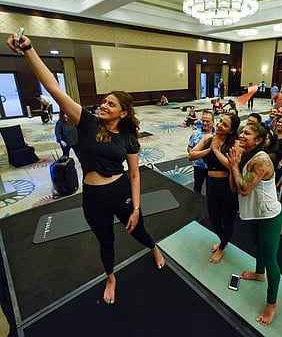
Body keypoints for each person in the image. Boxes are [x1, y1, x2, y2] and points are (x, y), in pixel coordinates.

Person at [8, 34, 166, 305]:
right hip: (93, 198)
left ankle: (153, 247)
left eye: (111, 104)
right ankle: (110, 276)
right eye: (104, 101)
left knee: (138, 229)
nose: (104, 105)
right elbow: (54, 88)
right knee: (106, 241)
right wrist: (29, 50)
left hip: (120, 191)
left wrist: (137, 207)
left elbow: (135, 174)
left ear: (124, 113)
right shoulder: (87, 122)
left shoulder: (129, 138)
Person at [227, 123, 282, 326]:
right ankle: (259, 274)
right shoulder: (246, 155)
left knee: (270, 259)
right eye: (241, 131)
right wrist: (233, 166)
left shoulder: (261, 159)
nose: (241, 135)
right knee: (257, 247)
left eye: (247, 133)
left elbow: (243, 188)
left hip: (269, 216)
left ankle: (271, 303)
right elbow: (234, 186)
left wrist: (233, 167)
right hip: (254, 213)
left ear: (258, 140)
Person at [188, 114, 241, 263]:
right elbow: (191, 155)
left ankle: (222, 247)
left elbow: (232, 166)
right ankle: (223, 240)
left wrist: (217, 151)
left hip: (228, 187)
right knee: (214, 219)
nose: (219, 125)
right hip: (211, 185)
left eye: (224, 125)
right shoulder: (208, 139)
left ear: (231, 130)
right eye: (220, 122)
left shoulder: (235, 144)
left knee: (228, 220)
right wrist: (210, 150)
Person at [187, 110, 215, 194]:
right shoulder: (195, 133)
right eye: (203, 121)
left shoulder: (217, 134)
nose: (205, 123)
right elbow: (189, 147)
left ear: (213, 122)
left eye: (207, 121)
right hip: (198, 166)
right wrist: (193, 154)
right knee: (197, 187)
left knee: (210, 189)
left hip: (212, 167)